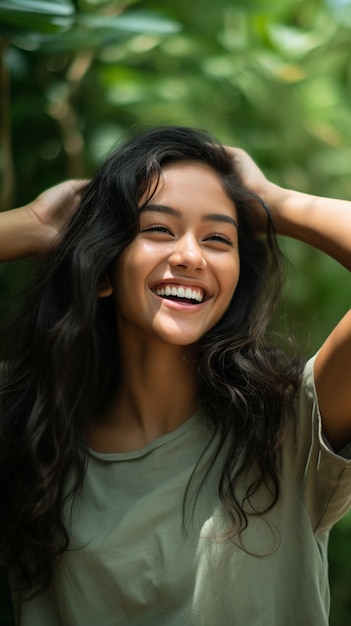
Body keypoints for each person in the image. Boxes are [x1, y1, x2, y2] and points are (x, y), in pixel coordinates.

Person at [0, 126, 350, 626]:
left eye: (218, 238)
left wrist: (275, 202)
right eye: (159, 230)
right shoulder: (23, 420)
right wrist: (31, 224)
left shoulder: (292, 425)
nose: (190, 256)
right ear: (102, 269)